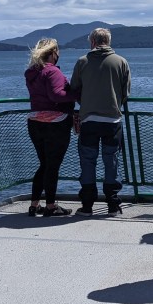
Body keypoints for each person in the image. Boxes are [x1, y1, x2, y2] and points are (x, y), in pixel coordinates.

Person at [70, 27, 131, 215]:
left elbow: (74, 89)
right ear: (109, 41)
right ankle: (113, 204)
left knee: (88, 162)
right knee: (111, 161)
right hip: (112, 121)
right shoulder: (121, 62)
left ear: (92, 42)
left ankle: (87, 205)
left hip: (88, 119)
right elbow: (126, 92)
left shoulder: (82, 62)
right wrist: (114, 103)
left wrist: (86, 103)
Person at [24, 38, 77, 217]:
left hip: (35, 121)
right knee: (52, 166)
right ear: (53, 53)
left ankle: (34, 205)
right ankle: (51, 206)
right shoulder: (52, 71)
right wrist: (75, 93)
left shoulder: (32, 72)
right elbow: (56, 95)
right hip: (55, 124)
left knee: (44, 164)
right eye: (58, 51)